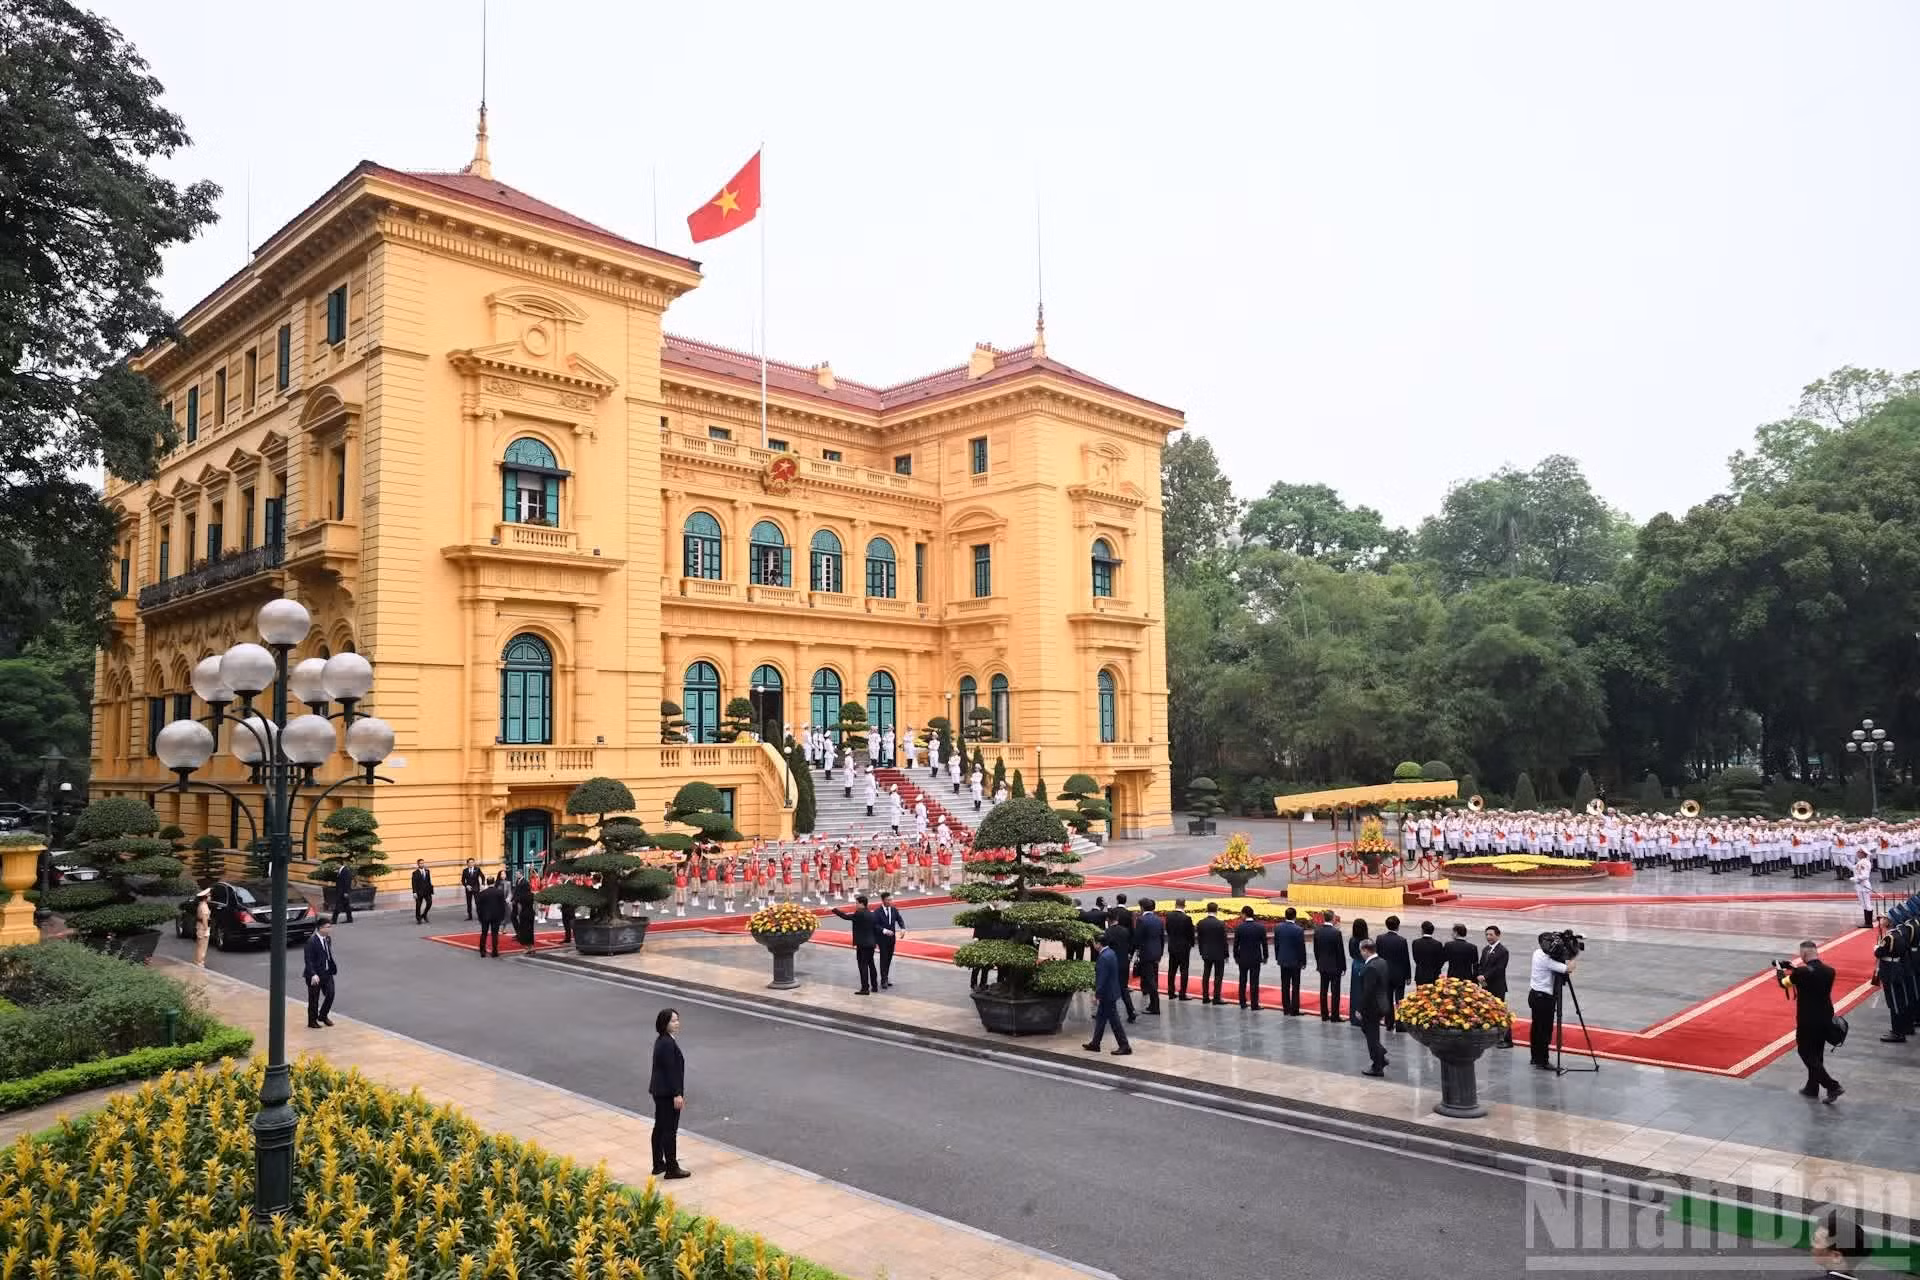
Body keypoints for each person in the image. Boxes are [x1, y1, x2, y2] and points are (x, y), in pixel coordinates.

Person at [1781, 938, 1843, 1102]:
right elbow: (1811, 973)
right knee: (1817, 1054)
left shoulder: (1801, 973)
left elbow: (1784, 983)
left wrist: (1780, 969)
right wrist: (1794, 968)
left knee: (1805, 1052)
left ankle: (1832, 1086)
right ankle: (1812, 1087)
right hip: (1825, 1018)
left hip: (1808, 1020)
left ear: (1803, 953)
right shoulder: (1830, 971)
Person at [648, 1008, 690, 1180]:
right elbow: (671, 1071)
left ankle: (658, 1164)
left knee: (660, 1127)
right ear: (664, 1023)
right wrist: (677, 1094)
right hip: (667, 1093)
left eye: (677, 1020)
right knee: (669, 1130)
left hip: (660, 1091)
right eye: (673, 1021)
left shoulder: (663, 1041)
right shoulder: (667, 1043)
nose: (677, 1023)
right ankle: (671, 1167)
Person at [1528, 938, 1575, 1069]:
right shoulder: (1547, 960)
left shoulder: (1537, 953)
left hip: (1534, 995)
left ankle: (1535, 1057)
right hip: (1544, 999)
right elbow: (1568, 969)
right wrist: (1573, 955)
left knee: (1536, 1028)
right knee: (1544, 1030)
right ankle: (1543, 1061)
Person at [1082, 936, 1132, 1056]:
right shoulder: (1111, 952)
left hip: (1107, 994)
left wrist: (1097, 994)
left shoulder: (1103, 957)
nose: (1093, 944)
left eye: (1094, 942)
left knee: (1114, 1021)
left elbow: (1102, 979)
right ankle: (1095, 1043)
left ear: (1099, 944)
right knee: (1101, 1018)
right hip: (1111, 991)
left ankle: (1124, 1045)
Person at [832, 894, 886, 994]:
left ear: (862, 904)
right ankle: (874, 986)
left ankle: (865, 988)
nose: (855, 905)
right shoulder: (871, 913)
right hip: (871, 943)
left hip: (862, 944)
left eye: (856, 903)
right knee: (871, 965)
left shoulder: (859, 913)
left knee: (863, 966)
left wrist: (834, 910)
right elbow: (875, 928)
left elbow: (846, 917)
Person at [1355, 939, 1392, 1076]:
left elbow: (1368, 991)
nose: (1361, 954)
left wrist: (1360, 1009)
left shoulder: (1370, 967)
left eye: (1361, 951)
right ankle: (1381, 1056)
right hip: (1382, 1003)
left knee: (1371, 1036)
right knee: (1369, 1031)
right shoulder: (1382, 962)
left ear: (1365, 950)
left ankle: (1378, 1065)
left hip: (1372, 1006)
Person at [1874, 916, 1912, 1043]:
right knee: (1899, 1000)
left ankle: (1898, 1032)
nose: (1881, 920)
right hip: (1896, 969)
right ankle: (1903, 1028)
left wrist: (1877, 948)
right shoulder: (1898, 934)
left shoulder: (1889, 937)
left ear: (1889, 922)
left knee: (1894, 1002)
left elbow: (1879, 953)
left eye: (1883, 918)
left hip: (1890, 971)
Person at [1477, 925, 1512, 1047]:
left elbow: (1499, 968)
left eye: (1491, 934)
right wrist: (1482, 981)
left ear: (1498, 935)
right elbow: (1481, 965)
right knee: (1487, 1010)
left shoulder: (1503, 951)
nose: (1488, 937)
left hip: (1498, 987)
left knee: (1500, 1012)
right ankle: (1491, 1035)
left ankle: (1507, 1039)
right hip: (1487, 986)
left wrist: (1484, 976)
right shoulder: (1485, 949)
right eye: (1486, 934)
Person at [1376, 916, 1412, 1027]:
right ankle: (1400, 1025)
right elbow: (1405, 959)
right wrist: (1408, 975)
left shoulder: (1380, 938)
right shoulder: (1402, 940)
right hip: (1399, 974)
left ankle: (1389, 1023)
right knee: (1400, 1000)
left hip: (1385, 973)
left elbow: (1377, 957)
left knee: (1387, 999)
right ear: (1398, 926)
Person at [1103, 907, 1138, 1021]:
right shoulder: (1125, 931)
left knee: (1109, 988)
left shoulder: (1107, 932)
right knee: (1123, 988)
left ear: (1108, 919)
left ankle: (1109, 1012)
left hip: (1112, 964)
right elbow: (1131, 944)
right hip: (1124, 963)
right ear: (1117, 918)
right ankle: (1131, 1011)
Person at [303, 919, 338, 1028]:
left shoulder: (327, 939)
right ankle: (312, 1021)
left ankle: (323, 1015)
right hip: (315, 975)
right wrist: (313, 974)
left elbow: (327, 955)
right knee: (314, 999)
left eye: (330, 926)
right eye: (327, 927)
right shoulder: (311, 942)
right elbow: (308, 960)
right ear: (320, 928)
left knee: (330, 994)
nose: (330, 929)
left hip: (327, 972)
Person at [1272, 907, 1307, 1016]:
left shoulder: (1278, 928)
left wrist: (1278, 957)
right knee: (1295, 986)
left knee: (1285, 985)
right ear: (1295, 916)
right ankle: (1294, 1010)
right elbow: (1301, 948)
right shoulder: (1298, 930)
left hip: (1283, 960)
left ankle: (1286, 1008)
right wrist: (1303, 961)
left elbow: (1276, 944)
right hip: (1295, 961)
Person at [1232, 905, 1268, 1010]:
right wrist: (1265, 956)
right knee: (1254, 982)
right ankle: (1254, 1004)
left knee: (1242, 981)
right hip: (1255, 958)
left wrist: (1236, 957)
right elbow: (1264, 944)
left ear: (1244, 914)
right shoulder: (1260, 928)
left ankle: (1242, 1002)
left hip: (1242, 958)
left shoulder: (1240, 927)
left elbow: (1236, 944)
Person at [1134, 898, 1165, 1014]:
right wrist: (1160, 953)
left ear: (1142, 907)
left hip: (1146, 953)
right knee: (1154, 979)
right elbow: (1162, 938)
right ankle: (1153, 1004)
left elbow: (1138, 938)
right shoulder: (1159, 920)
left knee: (1150, 981)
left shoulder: (1141, 920)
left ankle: (1155, 1006)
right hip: (1156, 953)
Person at [1313, 910, 1346, 1021]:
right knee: (1335, 992)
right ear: (1333, 918)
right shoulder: (1336, 933)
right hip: (1335, 966)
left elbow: (1316, 950)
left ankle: (1324, 1015)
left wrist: (1319, 963)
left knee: (1323, 990)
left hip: (1323, 965)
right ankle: (1335, 1016)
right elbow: (1340, 952)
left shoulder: (1317, 931)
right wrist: (1343, 967)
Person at [1196, 902, 1229, 1005]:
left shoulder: (1201, 923)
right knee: (1218, 976)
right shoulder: (1220, 924)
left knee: (1206, 974)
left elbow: (1199, 939)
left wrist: (1201, 951)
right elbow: (1224, 941)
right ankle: (1216, 997)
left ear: (1207, 910)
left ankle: (1205, 997)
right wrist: (1226, 954)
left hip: (1206, 952)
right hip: (1219, 953)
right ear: (1216, 910)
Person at [1164, 899, 1195, 1001]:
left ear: (1175, 904)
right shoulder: (1187, 918)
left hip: (1172, 946)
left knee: (1171, 970)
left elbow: (1167, 929)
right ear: (1184, 906)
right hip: (1184, 948)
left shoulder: (1169, 916)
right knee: (1184, 970)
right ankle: (1182, 993)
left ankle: (1171, 992)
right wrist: (1191, 944)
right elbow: (1190, 934)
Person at [875, 891, 907, 989]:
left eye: (891, 900)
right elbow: (875, 925)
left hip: (892, 938)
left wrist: (902, 928)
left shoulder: (893, 910)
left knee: (889, 958)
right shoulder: (877, 912)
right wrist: (884, 931)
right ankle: (883, 979)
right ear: (883, 900)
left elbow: (899, 919)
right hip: (882, 938)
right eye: (888, 900)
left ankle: (886, 977)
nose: (890, 901)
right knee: (884, 958)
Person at [1347, 919, 1371, 1026]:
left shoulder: (1352, 940)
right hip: (1366, 965)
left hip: (1355, 966)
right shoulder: (1368, 941)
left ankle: (1354, 1017)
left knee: (1355, 991)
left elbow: (1351, 954)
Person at [476, 874, 508, 957]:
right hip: (496, 916)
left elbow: (478, 907)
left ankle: (482, 951)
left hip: (485, 917)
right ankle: (495, 951)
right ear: (494, 883)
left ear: (487, 883)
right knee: (495, 934)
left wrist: (480, 917)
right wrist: (502, 916)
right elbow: (503, 905)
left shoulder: (482, 893)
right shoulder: (499, 892)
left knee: (484, 933)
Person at [1410, 920, 1444, 988]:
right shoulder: (1438, 944)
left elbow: (1416, 958)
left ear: (1422, 930)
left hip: (1420, 975)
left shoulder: (1416, 942)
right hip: (1434, 975)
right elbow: (1440, 961)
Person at [511, 872, 536, 950]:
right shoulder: (532, 895)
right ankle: (531, 946)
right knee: (530, 930)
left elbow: (518, 903)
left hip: (524, 914)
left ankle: (527, 947)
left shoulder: (522, 896)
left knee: (525, 930)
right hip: (531, 913)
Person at [1852, 854, 1875, 931]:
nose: (1857, 854)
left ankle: (1869, 923)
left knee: (1867, 904)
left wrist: (1856, 878)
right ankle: (1867, 922)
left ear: (1862, 853)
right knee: (1865, 905)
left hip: (1863, 886)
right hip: (1861, 886)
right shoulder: (1861, 862)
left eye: (1859, 852)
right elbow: (1854, 869)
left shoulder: (1864, 862)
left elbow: (1865, 876)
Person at [411, 858, 434, 924]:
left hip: (427, 891)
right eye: (420, 863)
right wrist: (414, 892)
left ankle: (424, 915)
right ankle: (418, 919)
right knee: (418, 906)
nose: (422, 864)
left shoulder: (427, 871)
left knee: (429, 903)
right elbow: (413, 883)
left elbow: (429, 881)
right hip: (419, 892)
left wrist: (431, 889)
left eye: (423, 863)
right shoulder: (415, 873)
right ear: (418, 864)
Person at [192, 888, 211, 967]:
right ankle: (199, 962)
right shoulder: (204, 906)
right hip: (203, 927)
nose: (210, 897)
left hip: (200, 927)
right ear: (205, 897)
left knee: (200, 945)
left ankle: (197, 960)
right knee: (202, 946)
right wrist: (206, 929)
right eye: (209, 895)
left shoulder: (202, 904)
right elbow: (204, 919)